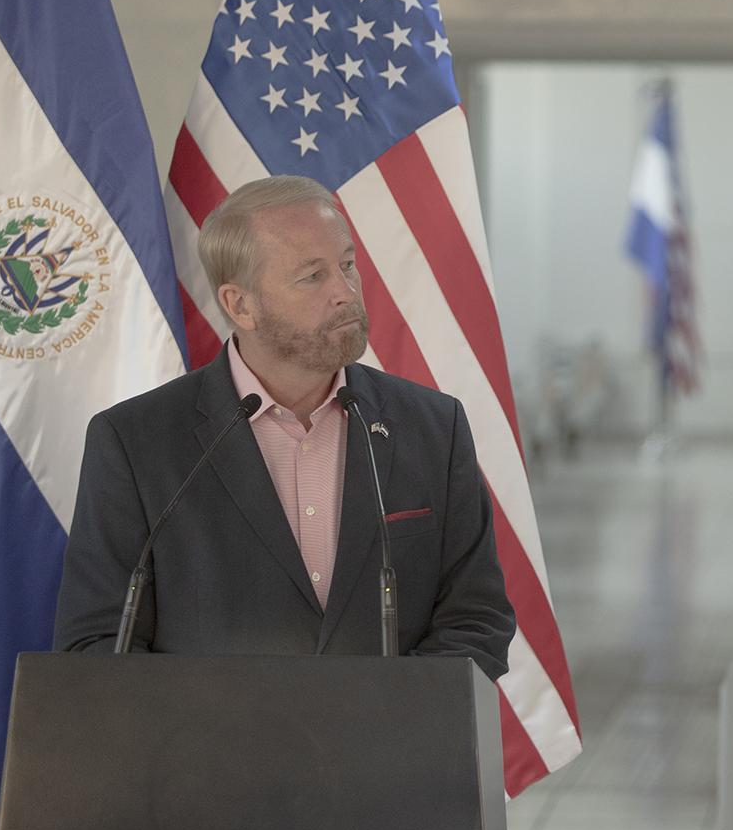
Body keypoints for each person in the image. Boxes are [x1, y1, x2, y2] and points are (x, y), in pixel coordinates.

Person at [54, 176, 515, 678]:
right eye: (312, 276)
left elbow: (477, 618)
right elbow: (97, 644)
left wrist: (393, 724)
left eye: (346, 264)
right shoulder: (135, 442)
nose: (345, 291)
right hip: (211, 753)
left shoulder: (433, 427)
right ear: (240, 305)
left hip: (391, 752)